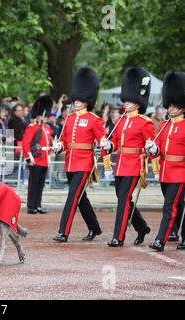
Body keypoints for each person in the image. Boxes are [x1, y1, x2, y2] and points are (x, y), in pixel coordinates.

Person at [101, 67, 154, 247]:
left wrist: (149, 148)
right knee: (123, 198)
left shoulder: (145, 122)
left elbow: (150, 144)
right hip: (120, 164)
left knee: (123, 200)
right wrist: (109, 145)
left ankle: (119, 236)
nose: (126, 103)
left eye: (130, 100)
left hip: (134, 165)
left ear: (138, 103)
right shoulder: (120, 121)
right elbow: (115, 141)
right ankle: (142, 227)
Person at [53, 67, 105, 242]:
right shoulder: (69, 118)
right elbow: (65, 141)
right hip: (70, 161)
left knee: (72, 196)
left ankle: (63, 232)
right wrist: (58, 146)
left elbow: (103, 139)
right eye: (75, 98)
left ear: (87, 101)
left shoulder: (94, 119)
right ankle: (94, 227)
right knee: (81, 198)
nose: (76, 101)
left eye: (80, 99)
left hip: (84, 162)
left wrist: (106, 145)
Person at [146, 71, 185, 251]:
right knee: (176, 205)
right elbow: (158, 149)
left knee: (169, 206)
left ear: (182, 107)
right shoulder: (163, 126)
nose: (169, 109)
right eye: (168, 105)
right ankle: (177, 233)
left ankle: (160, 240)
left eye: (173, 106)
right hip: (165, 172)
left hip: (180, 172)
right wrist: (153, 150)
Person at [22, 95, 53, 214]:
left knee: (40, 184)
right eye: (42, 115)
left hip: (44, 159)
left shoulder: (46, 128)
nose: (44, 117)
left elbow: (48, 143)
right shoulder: (32, 127)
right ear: (38, 115)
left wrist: (49, 156)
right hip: (36, 159)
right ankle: (31, 206)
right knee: (33, 184)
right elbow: (26, 144)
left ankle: (38, 204)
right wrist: (29, 158)